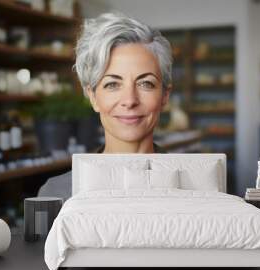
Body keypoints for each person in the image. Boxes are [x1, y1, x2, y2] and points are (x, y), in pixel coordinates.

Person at [38, 12, 172, 200]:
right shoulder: (58, 194)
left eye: (145, 83)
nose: (130, 100)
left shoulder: (197, 186)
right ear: (92, 97)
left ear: (165, 95)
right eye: (112, 84)